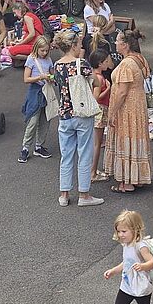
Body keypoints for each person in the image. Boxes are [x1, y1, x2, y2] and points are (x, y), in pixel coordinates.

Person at [52, 29, 104, 207]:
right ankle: (84, 195)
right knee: (84, 153)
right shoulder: (81, 64)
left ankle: (64, 194)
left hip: (64, 114)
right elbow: (97, 82)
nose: (81, 47)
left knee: (66, 155)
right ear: (73, 45)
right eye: (79, 44)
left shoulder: (57, 65)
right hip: (82, 113)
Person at [107, 29, 153, 194]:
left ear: (125, 45)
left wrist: (112, 112)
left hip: (128, 108)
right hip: (138, 106)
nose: (115, 43)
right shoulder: (139, 58)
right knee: (136, 137)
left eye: (118, 41)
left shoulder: (126, 64)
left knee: (126, 138)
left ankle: (126, 182)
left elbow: (122, 92)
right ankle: (137, 177)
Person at [103, 210, 153, 304]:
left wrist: (142, 266)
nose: (120, 235)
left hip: (141, 285)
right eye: (118, 231)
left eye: (124, 231)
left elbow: (152, 262)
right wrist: (113, 271)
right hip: (126, 285)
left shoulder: (141, 246)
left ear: (135, 229)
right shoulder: (126, 244)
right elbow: (126, 263)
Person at [19, 36, 55, 164]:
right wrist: (40, 77)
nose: (44, 53)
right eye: (42, 51)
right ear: (37, 49)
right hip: (35, 92)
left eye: (46, 51)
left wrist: (51, 77)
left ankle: (39, 146)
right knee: (33, 121)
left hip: (46, 92)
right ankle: (25, 147)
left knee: (45, 120)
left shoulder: (49, 60)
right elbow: (26, 79)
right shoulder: (31, 59)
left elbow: (53, 74)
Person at [90, 49, 114, 183]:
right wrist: (108, 89)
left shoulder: (93, 75)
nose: (108, 63)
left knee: (96, 143)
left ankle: (93, 170)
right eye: (106, 61)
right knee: (97, 144)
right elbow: (96, 97)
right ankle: (92, 172)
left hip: (99, 111)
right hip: (100, 111)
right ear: (100, 63)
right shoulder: (99, 78)